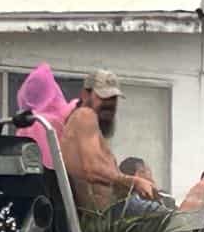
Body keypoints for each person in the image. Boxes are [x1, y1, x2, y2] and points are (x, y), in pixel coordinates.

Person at [62, 70, 158, 212]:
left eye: (113, 98)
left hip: (108, 215)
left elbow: (108, 181)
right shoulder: (85, 116)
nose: (110, 103)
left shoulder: (92, 129)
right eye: (103, 97)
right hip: (99, 221)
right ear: (85, 95)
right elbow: (93, 171)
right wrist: (135, 182)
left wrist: (141, 188)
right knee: (164, 215)